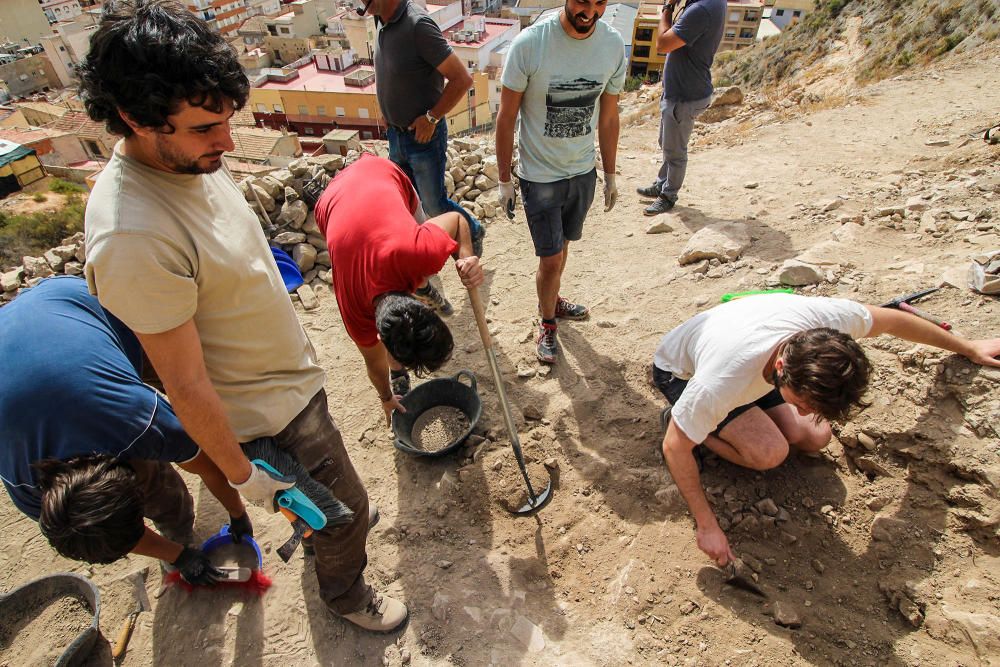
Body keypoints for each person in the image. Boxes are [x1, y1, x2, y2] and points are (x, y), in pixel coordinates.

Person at [79, 0, 405, 632]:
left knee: (319, 514)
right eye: (205, 128)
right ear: (135, 118)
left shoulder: (190, 161)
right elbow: (184, 383)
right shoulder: (132, 234)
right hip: (265, 419)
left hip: (288, 387)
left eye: (227, 121)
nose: (227, 142)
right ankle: (344, 594)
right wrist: (244, 475)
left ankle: (318, 543)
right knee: (345, 513)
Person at [653, 293, 1000, 566]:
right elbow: (674, 449)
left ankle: (723, 417)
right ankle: (681, 418)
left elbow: (893, 321)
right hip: (681, 371)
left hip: (748, 361)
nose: (804, 411)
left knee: (815, 435)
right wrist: (707, 525)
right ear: (781, 367)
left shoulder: (828, 325)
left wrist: (967, 347)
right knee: (769, 453)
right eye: (802, 402)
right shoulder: (719, 381)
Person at [0, 277, 247, 585]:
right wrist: (177, 554)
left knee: (189, 386)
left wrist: (237, 514)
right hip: (26, 343)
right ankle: (177, 529)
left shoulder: (135, 421)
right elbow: (100, 528)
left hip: (80, 304)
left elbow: (207, 466)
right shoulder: (27, 490)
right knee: (153, 495)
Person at [495, 0, 626, 364]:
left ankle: (552, 298)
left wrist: (610, 173)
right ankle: (547, 322)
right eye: (582, 1)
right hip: (539, 177)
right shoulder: (530, 44)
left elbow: (609, 115)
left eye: (599, 3)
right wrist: (505, 180)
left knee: (564, 245)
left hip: (581, 171)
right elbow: (506, 118)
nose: (589, 12)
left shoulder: (612, 45)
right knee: (550, 259)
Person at [313, 154, 483, 425]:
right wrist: (386, 397)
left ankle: (424, 286)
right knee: (412, 268)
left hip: (380, 172)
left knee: (422, 267)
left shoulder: (422, 252)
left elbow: (457, 220)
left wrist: (466, 256)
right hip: (329, 204)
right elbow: (374, 363)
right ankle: (399, 370)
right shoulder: (353, 309)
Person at [368, 0, 485, 267]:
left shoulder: (417, 25)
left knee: (433, 205)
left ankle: (473, 230)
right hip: (396, 136)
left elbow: (462, 79)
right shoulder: (381, 21)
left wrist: (432, 118)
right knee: (407, 204)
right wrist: (388, 111)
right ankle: (420, 258)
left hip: (422, 138)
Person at [638, 0, 725, 216]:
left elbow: (663, 44)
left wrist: (667, 9)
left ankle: (668, 195)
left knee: (675, 152)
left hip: (685, 96)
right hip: (679, 91)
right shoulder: (707, 3)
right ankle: (662, 183)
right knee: (666, 142)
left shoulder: (702, 9)